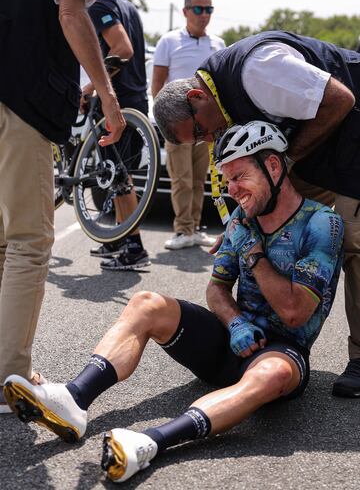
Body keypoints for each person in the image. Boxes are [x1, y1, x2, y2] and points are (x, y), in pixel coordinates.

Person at [4, 121, 343, 484]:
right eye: (226, 180)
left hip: (280, 354)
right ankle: (73, 400)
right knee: (148, 302)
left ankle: (148, 443)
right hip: (231, 341)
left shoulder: (322, 224)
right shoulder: (244, 222)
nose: (232, 190)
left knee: (271, 373)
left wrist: (254, 253)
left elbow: (295, 313)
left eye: (239, 176)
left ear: (273, 167)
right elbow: (216, 289)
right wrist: (234, 323)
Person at [153, 30, 360, 397]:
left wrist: (289, 160)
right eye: (199, 140)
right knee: (266, 212)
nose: (209, 140)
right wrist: (240, 221)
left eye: (200, 130)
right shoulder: (217, 104)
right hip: (320, 150)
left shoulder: (258, 70)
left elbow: (340, 100)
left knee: (354, 239)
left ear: (197, 96)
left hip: (354, 131)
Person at [0, 0, 125, 414]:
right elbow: (71, 13)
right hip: (22, 100)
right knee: (28, 242)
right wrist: (108, 96)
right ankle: (6, 378)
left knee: (3, 242)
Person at [152, 0, 225, 250]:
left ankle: (194, 228)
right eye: (198, 9)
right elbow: (158, 85)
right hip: (179, 124)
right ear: (185, 11)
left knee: (199, 179)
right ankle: (182, 229)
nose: (204, 14)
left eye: (208, 9)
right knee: (180, 178)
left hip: (206, 126)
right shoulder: (168, 41)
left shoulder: (218, 44)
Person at [86, 0, 151, 271]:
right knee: (118, 173)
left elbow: (123, 49)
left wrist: (91, 88)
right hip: (136, 98)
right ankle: (117, 239)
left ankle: (134, 246)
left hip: (119, 102)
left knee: (119, 176)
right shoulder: (128, 6)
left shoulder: (100, 7)